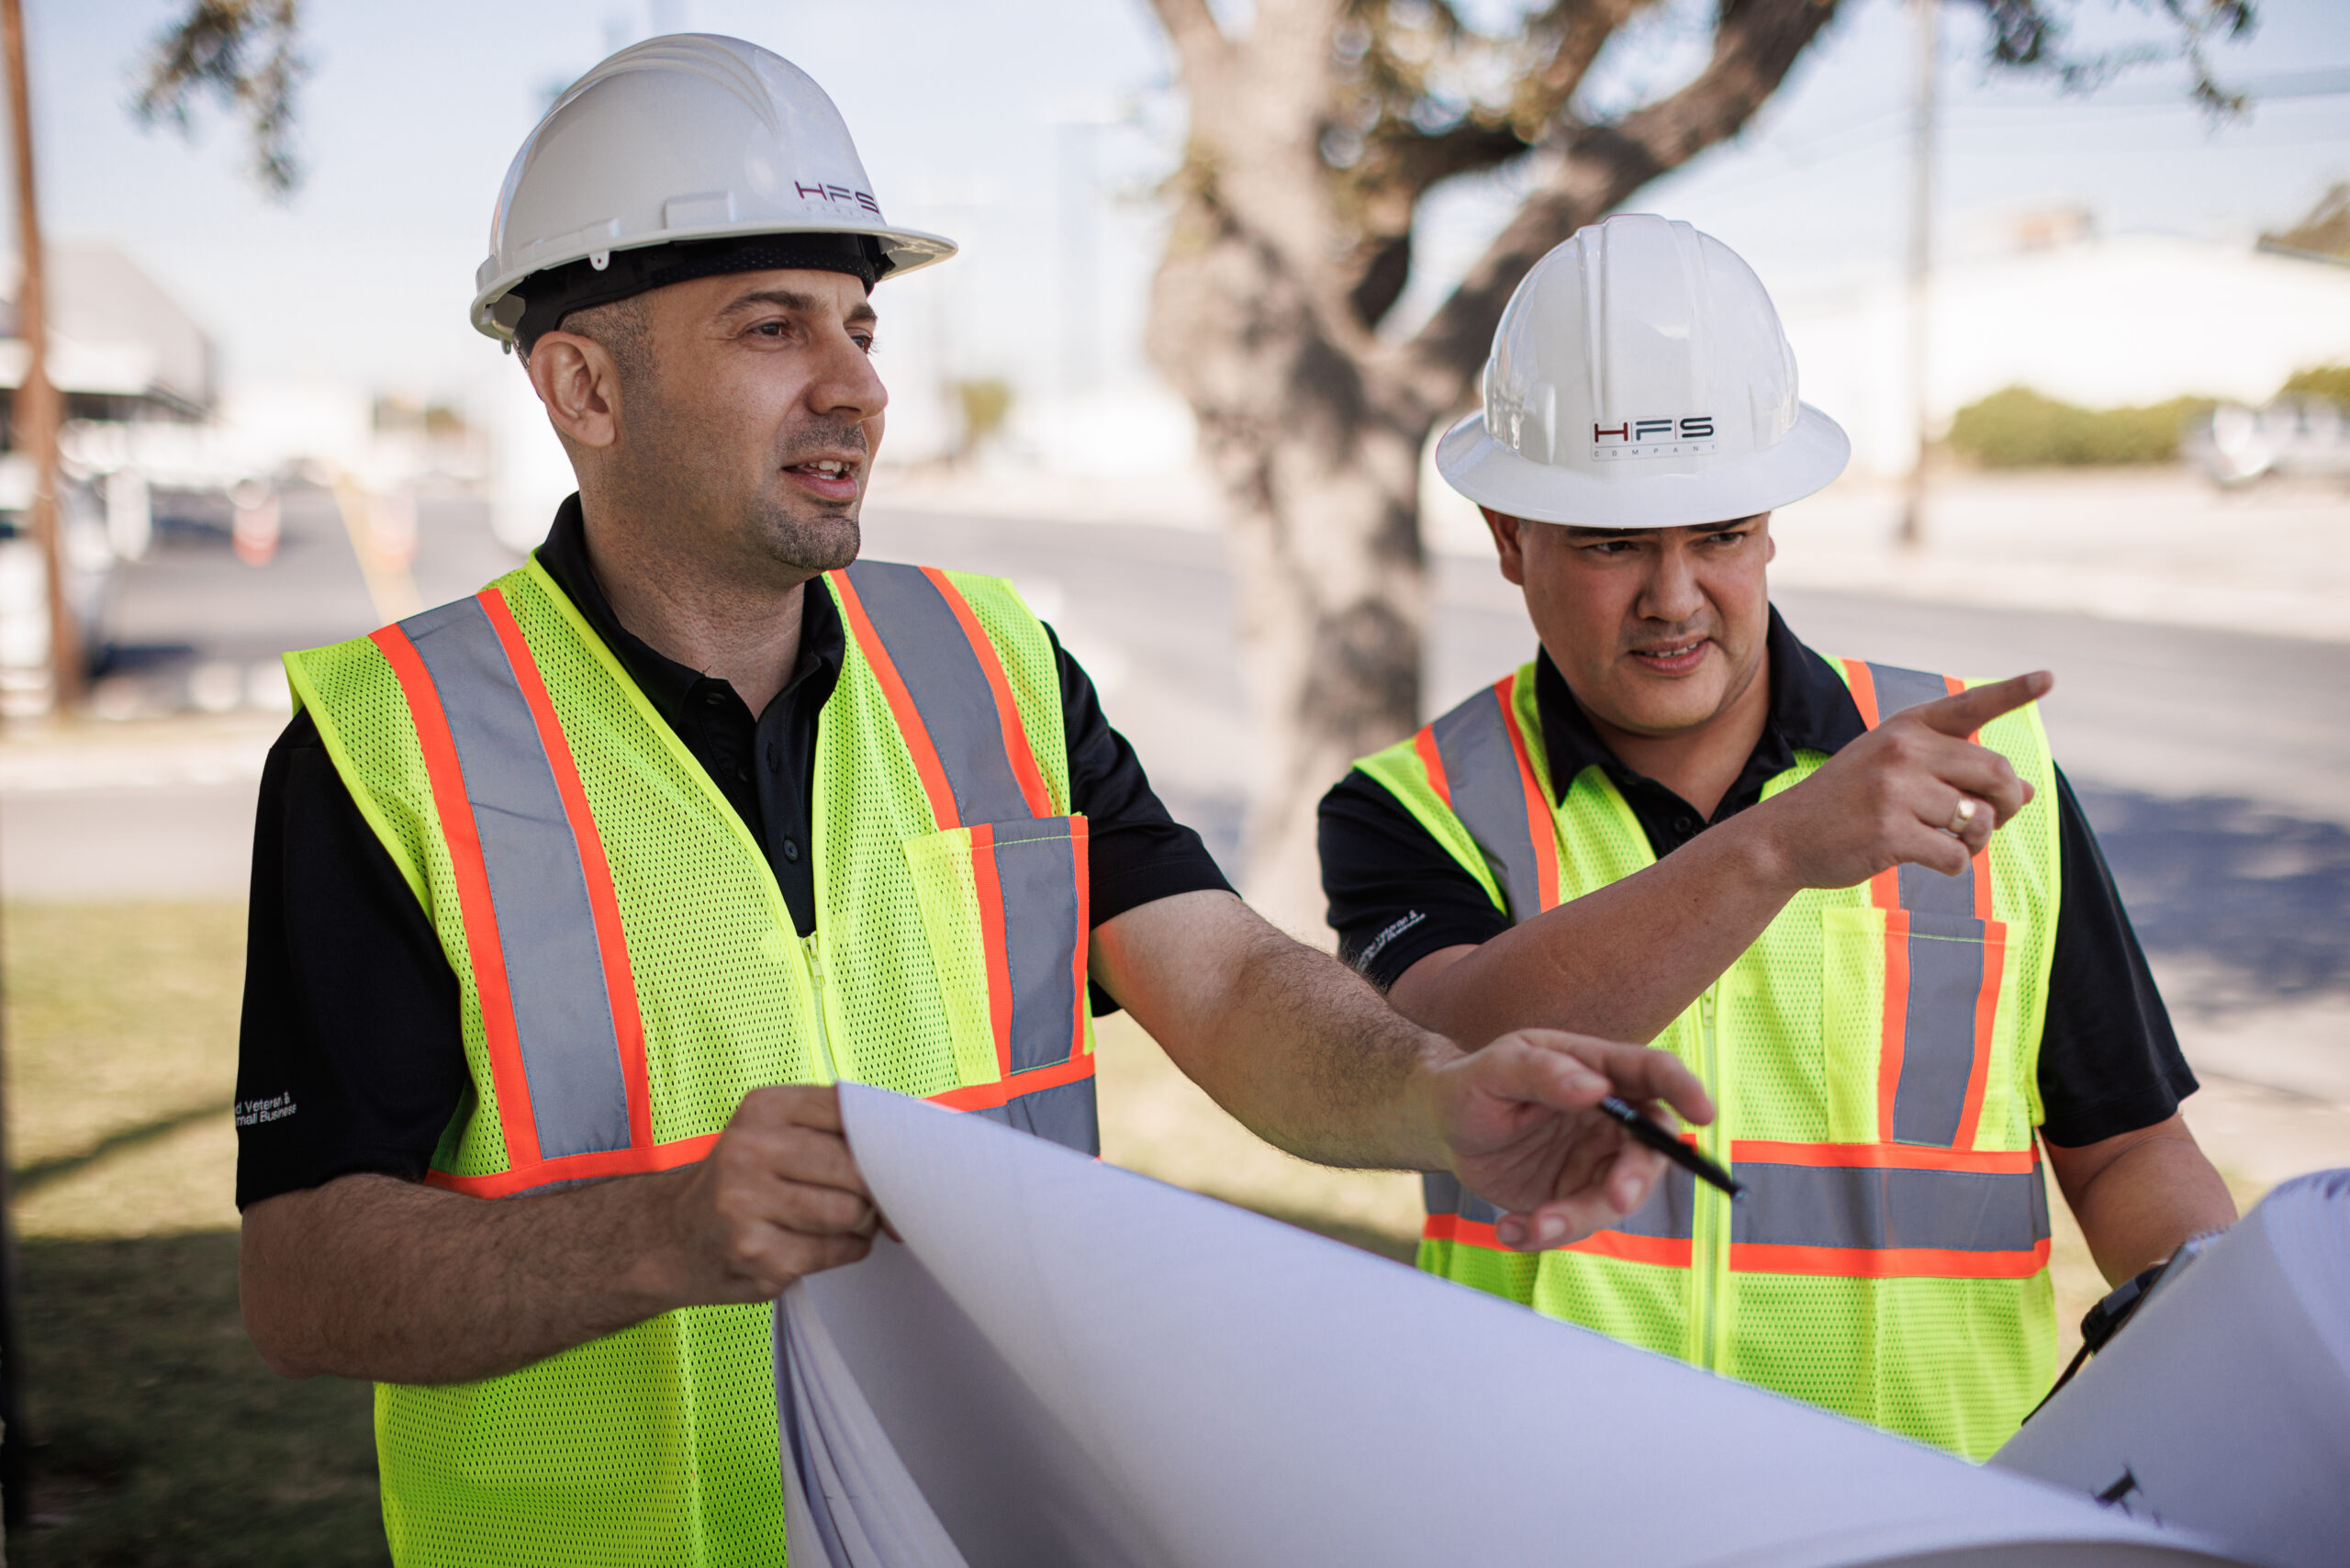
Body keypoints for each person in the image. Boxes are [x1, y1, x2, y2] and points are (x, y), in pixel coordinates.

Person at [231, 39, 1711, 1565]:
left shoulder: (990, 667)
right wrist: (663, 1235)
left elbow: (1231, 981)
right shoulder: (392, 748)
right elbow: (304, 1277)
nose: (856, 387)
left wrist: (1431, 1099)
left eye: (862, 326)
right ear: (583, 383)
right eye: (771, 327)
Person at [1318, 214, 2237, 1461]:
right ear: (1507, 538)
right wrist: (1778, 847)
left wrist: (2242, 1372)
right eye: (1611, 545)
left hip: (1934, 1515)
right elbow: (1468, 1033)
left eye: (1720, 534)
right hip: (1562, 1508)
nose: (1675, 597)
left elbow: (2127, 1148)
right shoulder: (1413, 806)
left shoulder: (1988, 772)